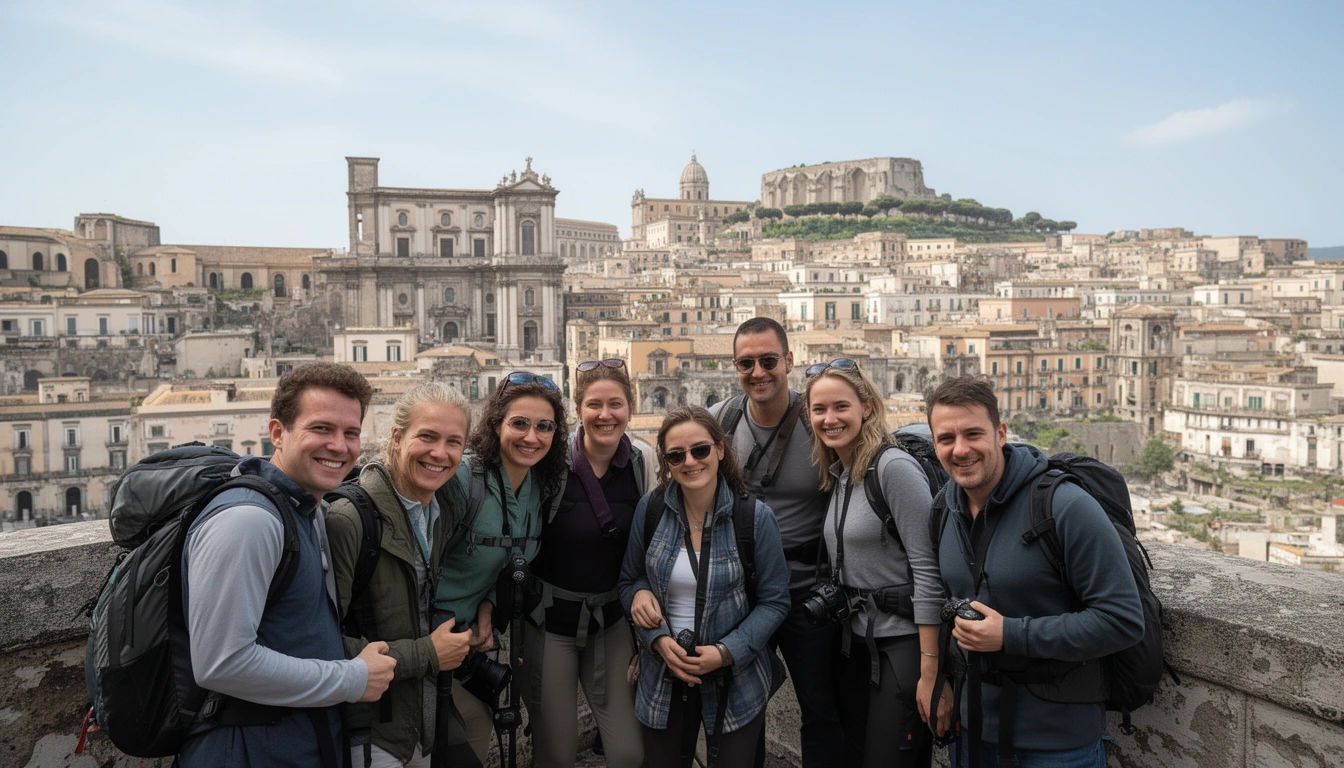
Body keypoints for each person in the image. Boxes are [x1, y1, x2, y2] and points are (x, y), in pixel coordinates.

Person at [181, 362, 396, 768]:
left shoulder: (307, 507)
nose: (339, 445)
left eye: (351, 433)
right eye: (321, 429)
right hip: (246, 751)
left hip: (296, 743)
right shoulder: (250, 521)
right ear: (278, 433)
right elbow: (221, 664)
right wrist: (352, 679)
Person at [925, 377, 1145, 768]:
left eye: (973, 434)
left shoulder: (1064, 507)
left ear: (1001, 433)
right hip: (972, 733)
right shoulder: (944, 509)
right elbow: (946, 602)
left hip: (1057, 745)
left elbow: (1123, 620)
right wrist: (939, 678)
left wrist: (1011, 635)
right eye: (946, 438)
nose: (960, 449)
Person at [619, 406, 790, 768]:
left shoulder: (755, 518)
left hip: (735, 680)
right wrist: (655, 634)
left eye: (700, 450)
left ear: (720, 450)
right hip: (663, 672)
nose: (690, 462)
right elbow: (629, 580)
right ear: (665, 462)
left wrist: (726, 652)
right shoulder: (650, 511)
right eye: (676, 455)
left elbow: (775, 602)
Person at [709, 316, 843, 768]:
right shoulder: (720, 422)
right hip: (743, 591)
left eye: (769, 360)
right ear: (735, 366)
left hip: (809, 591)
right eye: (746, 363)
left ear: (789, 361)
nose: (758, 371)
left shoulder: (821, 422)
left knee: (821, 708)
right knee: (743, 707)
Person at [326, 381, 475, 767]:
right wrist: (428, 654)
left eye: (453, 442)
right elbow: (318, 645)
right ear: (396, 437)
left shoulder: (437, 512)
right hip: (368, 733)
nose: (439, 453)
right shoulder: (349, 521)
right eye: (427, 437)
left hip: (419, 726)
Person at [805, 359, 944, 768]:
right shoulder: (841, 474)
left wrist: (932, 671)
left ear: (867, 407)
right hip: (857, 647)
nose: (830, 419)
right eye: (819, 410)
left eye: (841, 407)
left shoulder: (893, 468)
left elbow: (928, 569)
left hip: (902, 647)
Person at [433, 371, 570, 763]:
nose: (532, 436)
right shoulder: (461, 480)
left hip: (466, 641)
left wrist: (489, 609)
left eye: (544, 426)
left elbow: (510, 564)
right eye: (520, 424)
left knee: (475, 722)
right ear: (495, 426)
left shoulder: (540, 487)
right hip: (425, 633)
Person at [522, 358, 647, 768]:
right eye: (594, 405)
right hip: (549, 623)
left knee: (629, 754)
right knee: (556, 753)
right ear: (578, 411)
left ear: (631, 407)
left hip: (610, 623)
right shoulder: (550, 465)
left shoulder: (644, 466)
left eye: (616, 404)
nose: (605, 415)